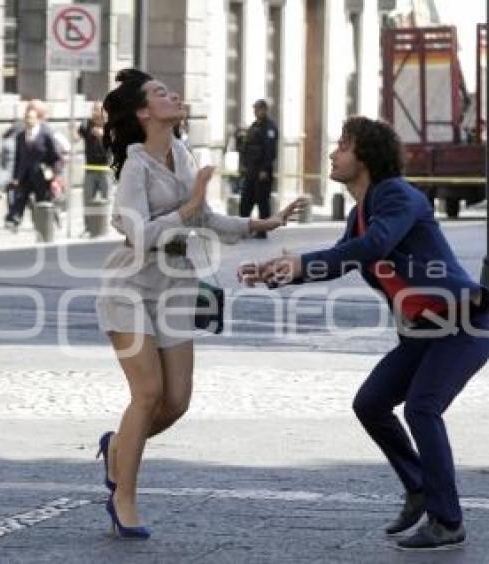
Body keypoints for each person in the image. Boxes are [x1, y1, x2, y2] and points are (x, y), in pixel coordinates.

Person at [239, 116, 489, 551]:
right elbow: (344, 257)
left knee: (421, 408)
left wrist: (299, 261)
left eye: (343, 145)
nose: (334, 153)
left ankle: (447, 521)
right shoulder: (361, 213)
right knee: (371, 403)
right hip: (423, 332)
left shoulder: (397, 196)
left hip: (461, 325)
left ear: (366, 155)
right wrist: (279, 273)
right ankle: (418, 486)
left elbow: (376, 246)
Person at [94, 69, 304, 539]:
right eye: (160, 92)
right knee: (147, 395)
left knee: (177, 401)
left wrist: (263, 224)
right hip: (129, 286)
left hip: (176, 285)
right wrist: (188, 207)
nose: (173, 95)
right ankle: (123, 499)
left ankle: (117, 451)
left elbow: (206, 218)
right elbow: (140, 234)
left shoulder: (183, 153)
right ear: (144, 112)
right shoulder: (135, 167)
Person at [5, 107, 63, 230]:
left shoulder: (46, 134)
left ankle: (51, 220)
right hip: (25, 175)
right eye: (26, 118)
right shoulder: (20, 136)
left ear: (37, 119)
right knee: (20, 197)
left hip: (41, 175)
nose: (28, 120)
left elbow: (56, 156)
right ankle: (14, 220)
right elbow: (18, 158)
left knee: (43, 200)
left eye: (31, 118)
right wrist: (15, 177)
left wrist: (55, 174)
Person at [239, 99, 279, 238]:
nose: (255, 112)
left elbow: (270, 151)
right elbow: (246, 147)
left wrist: (264, 169)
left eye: (257, 110)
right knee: (245, 200)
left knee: (262, 202)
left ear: (264, 110)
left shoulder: (270, 128)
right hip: (251, 170)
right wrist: (243, 166)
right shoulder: (254, 126)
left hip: (262, 171)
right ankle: (243, 229)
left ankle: (262, 231)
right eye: (254, 110)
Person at [78, 101, 112, 206]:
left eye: (97, 110)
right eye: (93, 110)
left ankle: (107, 221)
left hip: (105, 171)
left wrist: (103, 136)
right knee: (87, 200)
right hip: (90, 169)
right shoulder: (87, 125)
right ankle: (88, 222)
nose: (95, 113)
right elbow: (76, 136)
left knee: (106, 201)